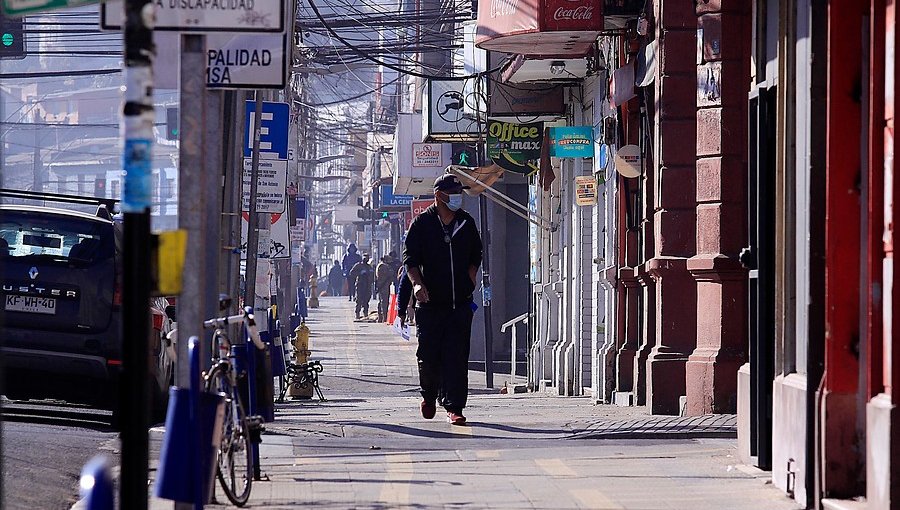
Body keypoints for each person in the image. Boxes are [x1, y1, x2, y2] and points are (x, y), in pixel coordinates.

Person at [403, 173, 482, 425]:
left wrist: (471, 277)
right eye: (453, 193)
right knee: (428, 356)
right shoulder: (421, 225)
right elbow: (411, 261)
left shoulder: (466, 223)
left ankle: (454, 406)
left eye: (459, 192)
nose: (458, 197)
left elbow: (476, 254)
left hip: (460, 304)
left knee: (456, 356)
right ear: (439, 196)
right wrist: (417, 285)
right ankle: (428, 394)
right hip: (429, 305)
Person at [349, 253, 374, 319]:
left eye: (367, 258)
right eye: (365, 258)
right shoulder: (358, 265)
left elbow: (373, 276)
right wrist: (360, 273)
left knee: (366, 300)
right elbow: (352, 273)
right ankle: (357, 313)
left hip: (368, 285)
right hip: (360, 285)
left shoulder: (369, 267)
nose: (366, 259)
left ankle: (365, 313)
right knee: (359, 299)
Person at [375, 254, 395, 322]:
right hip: (384, 286)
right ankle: (384, 317)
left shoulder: (382, 265)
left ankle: (381, 316)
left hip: (383, 285)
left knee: (381, 301)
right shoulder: (383, 266)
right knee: (384, 302)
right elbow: (390, 274)